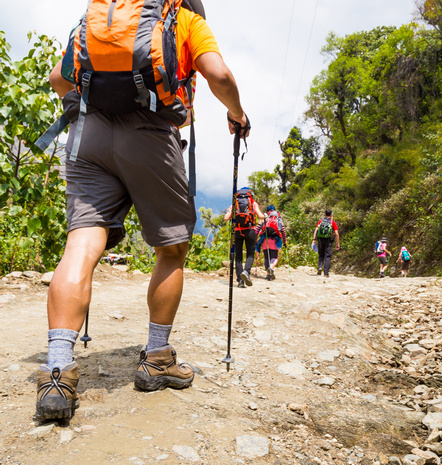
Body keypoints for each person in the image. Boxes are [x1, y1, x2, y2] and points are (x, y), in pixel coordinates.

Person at [36, 2, 250, 422]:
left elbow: (59, 78)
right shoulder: (184, 19)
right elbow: (219, 75)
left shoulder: (99, 17)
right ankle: (156, 359)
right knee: (171, 248)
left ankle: (57, 371)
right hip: (151, 134)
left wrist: (92, 111)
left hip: (88, 135)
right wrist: (237, 113)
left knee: (81, 243)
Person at [224, 187, 265, 288]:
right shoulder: (253, 203)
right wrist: (264, 216)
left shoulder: (235, 204)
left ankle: (240, 280)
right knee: (250, 254)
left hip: (237, 231)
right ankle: (246, 271)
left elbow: (226, 218)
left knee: (238, 257)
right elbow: (260, 216)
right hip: (250, 231)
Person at [255, 205, 287, 280]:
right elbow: (283, 230)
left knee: (266, 257)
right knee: (274, 257)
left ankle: (268, 275)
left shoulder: (264, 217)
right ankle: (271, 267)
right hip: (275, 240)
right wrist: (285, 241)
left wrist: (255, 239)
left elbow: (257, 229)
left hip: (264, 240)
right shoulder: (278, 218)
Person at [312, 209, 340, 278]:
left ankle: (320, 267)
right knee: (328, 256)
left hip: (320, 240)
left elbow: (316, 230)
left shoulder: (320, 222)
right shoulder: (332, 223)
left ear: (324, 214)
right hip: (328, 240)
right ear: (331, 215)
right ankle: (326, 273)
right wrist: (338, 243)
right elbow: (336, 233)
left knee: (321, 254)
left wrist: (314, 239)